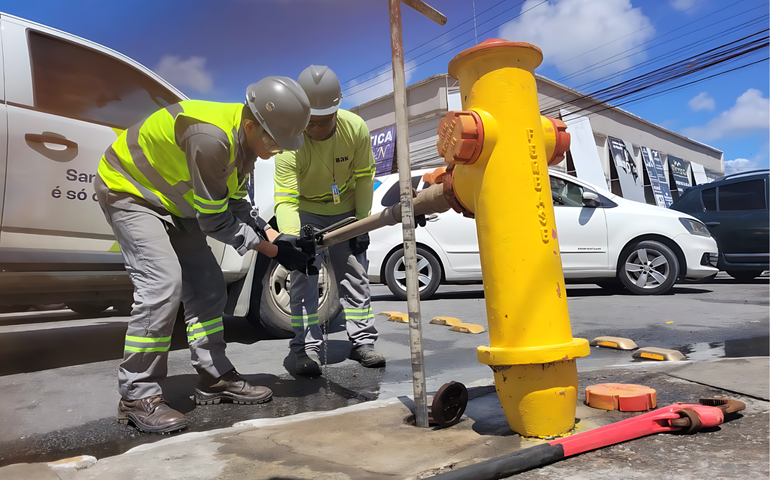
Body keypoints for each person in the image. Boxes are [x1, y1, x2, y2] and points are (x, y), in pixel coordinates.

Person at [94, 76, 312, 433]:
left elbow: (237, 202)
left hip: (175, 204)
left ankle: (214, 377)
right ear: (251, 126)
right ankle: (136, 392)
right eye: (276, 140)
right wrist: (272, 251)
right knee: (162, 284)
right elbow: (214, 221)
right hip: (130, 191)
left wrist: (275, 235)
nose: (281, 149)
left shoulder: (244, 144)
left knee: (209, 286)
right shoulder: (211, 138)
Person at [274, 65, 384, 377]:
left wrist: (362, 223)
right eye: (309, 122)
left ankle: (362, 341)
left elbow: (365, 178)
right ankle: (304, 348)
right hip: (305, 211)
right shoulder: (290, 139)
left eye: (323, 122)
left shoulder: (355, 128)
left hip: (346, 210)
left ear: (337, 109)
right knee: (304, 278)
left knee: (354, 274)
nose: (315, 129)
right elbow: (285, 198)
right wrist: (295, 239)